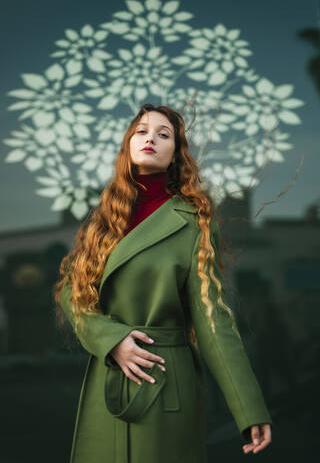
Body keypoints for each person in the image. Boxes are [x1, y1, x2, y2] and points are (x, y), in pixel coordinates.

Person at [54, 103, 273, 463]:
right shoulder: (103, 219)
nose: (150, 138)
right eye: (141, 131)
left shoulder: (195, 224)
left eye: (163, 134)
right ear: (128, 145)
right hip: (108, 375)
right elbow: (72, 294)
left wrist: (250, 408)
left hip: (165, 382)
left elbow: (213, 322)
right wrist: (112, 340)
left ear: (176, 154)